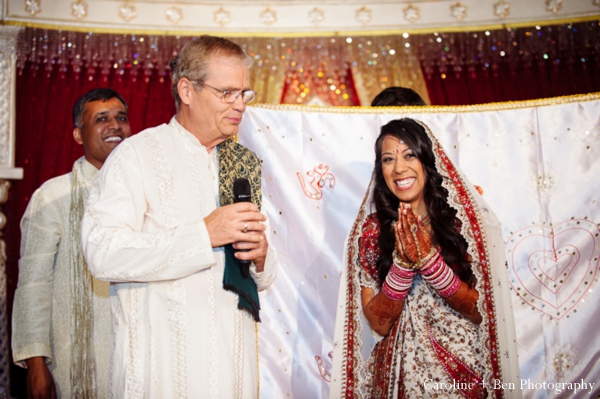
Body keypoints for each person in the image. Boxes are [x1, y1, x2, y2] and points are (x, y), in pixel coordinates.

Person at [80, 35, 278, 398]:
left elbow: (261, 277)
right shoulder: (136, 155)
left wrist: (263, 256)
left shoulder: (241, 164)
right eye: (227, 93)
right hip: (161, 369)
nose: (239, 105)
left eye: (244, 94)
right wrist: (203, 235)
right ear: (187, 90)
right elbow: (102, 252)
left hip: (233, 367)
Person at [329, 118, 521, 398]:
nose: (399, 168)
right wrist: (402, 267)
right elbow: (379, 324)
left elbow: (485, 311)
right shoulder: (373, 230)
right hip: (396, 377)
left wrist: (431, 263)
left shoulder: (464, 223)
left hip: (459, 374)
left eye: (409, 155)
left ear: (428, 162)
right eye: (388, 159)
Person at [12, 88, 132, 398]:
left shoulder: (143, 195)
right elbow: (32, 287)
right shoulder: (52, 196)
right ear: (78, 134)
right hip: (71, 361)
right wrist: (36, 364)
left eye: (121, 118)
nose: (115, 126)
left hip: (134, 358)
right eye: (101, 119)